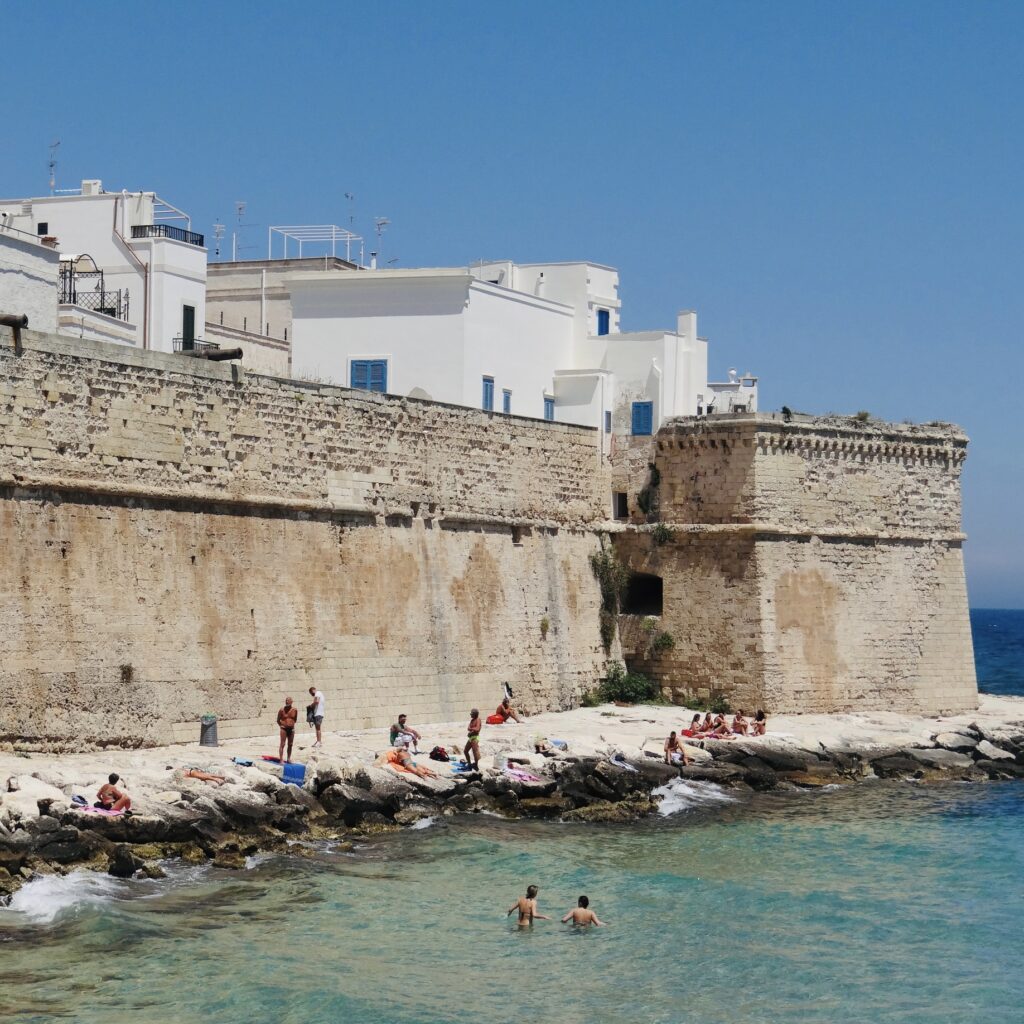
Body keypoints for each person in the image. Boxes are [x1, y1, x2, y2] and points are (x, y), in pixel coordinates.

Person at [277, 696, 298, 763]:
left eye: (288, 700)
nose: (287, 701)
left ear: (291, 702)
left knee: (290, 744)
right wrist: (282, 725)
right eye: (286, 700)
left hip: (291, 729)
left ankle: (288, 758)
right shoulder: (282, 710)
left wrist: (291, 724)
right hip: (284, 729)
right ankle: (281, 759)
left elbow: (295, 719)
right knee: (282, 744)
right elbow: (278, 720)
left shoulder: (295, 710)